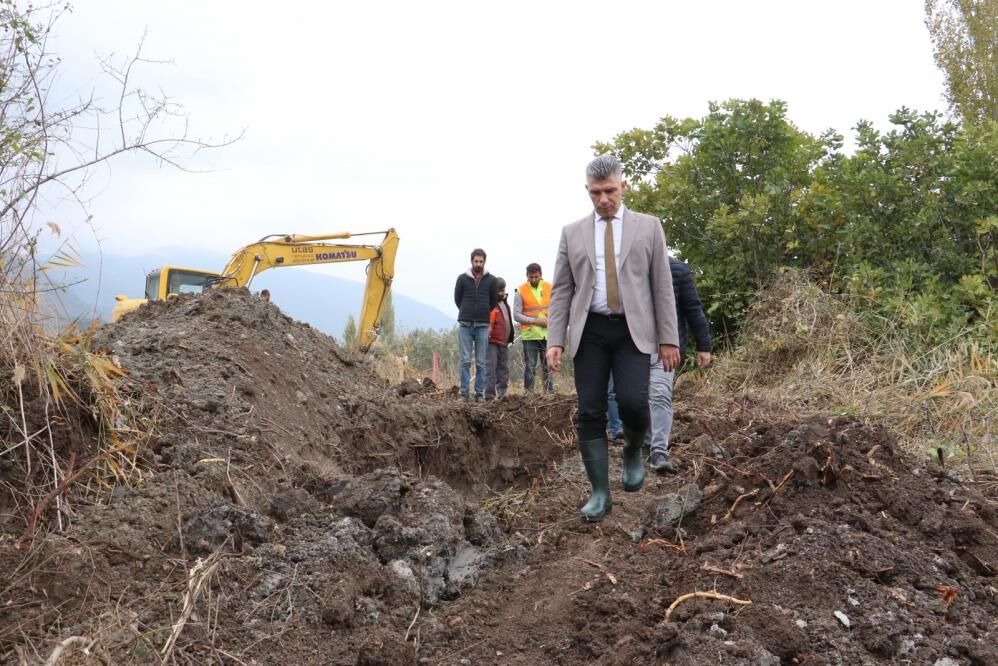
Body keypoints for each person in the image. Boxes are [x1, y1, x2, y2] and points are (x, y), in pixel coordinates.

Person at [546, 154, 680, 522]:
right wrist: (554, 340)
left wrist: (670, 338)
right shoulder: (572, 233)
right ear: (587, 192)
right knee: (590, 409)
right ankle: (600, 493)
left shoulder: (649, 227)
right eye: (595, 193)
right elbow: (562, 290)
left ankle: (634, 451)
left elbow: (662, 285)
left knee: (634, 403)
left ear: (623, 186)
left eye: (609, 191)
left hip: (633, 330)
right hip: (589, 330)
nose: (603, 199)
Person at [454, 248, 498, 401]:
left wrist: (482, 312)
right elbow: (457, 299)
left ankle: (479, 394)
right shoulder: (462, 279)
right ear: (471, 261)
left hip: (482, 325)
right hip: (465, 324)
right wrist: (467, 311)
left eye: (481, 261)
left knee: (481, 362)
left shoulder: (492, 281)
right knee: (465, 360)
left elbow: (493, 301)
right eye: (476, 261)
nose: (478, 264)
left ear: (484, 262)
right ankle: (464, 394)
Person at [513, 263, 554, 393]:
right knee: (530, 367)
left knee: (548, 366)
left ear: (540, 275)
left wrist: (551, 321)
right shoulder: (521, 290)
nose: (533, 280)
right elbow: (516, 315)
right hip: (530, 335)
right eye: (531, 277)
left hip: (547, 334)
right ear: (527, 276)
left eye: (536, 277)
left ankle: (549, 394)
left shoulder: (550, 287)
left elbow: (558, 308)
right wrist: (535, 321)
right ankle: (529, 395)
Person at [485, 277, 514, 400]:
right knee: (490, 369)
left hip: (504, 342)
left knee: (503, 369)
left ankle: (502, 394)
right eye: (499, 291)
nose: (501, 293)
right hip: (491, 342)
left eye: (503, 290)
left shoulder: (504, 304)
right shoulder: (489, 304)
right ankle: (489, 395)